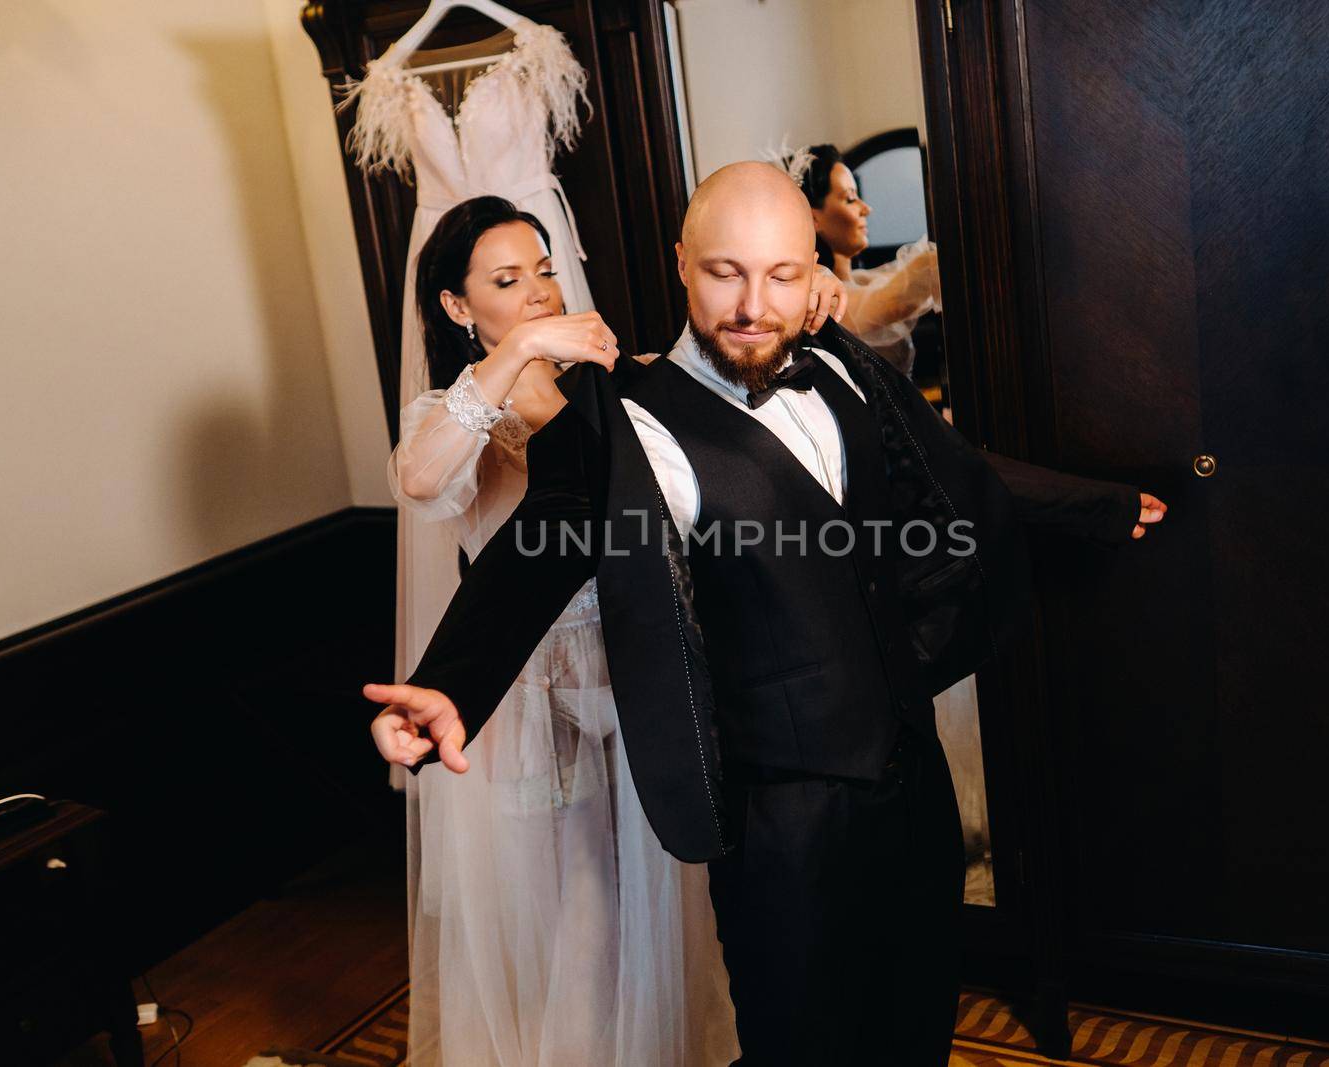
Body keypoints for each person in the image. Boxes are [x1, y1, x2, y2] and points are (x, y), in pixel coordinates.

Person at [366, 164, 1166, 1066]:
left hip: (912, 786)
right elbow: (546, 534)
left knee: (915, 1033)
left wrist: (1093, 506)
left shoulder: (842, 369)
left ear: (813, 271)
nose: (752, 304)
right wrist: (448, 685)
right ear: (679, 263)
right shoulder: (628, 418)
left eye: (782, 274)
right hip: (781, 825)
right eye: (724, 272)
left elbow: (955, 470)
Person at [379, 194, 841, 1065]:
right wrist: (517, 351)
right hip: (536, 699)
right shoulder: (453, 410)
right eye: (508, 281)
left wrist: (804, 305)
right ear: (456, 305)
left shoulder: (610, 380)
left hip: (639, 678)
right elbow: (419, 478)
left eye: (545, 271)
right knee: (579, 918)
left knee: (664, 909)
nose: (540, 293)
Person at [794, 142, 941, 377]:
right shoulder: (827, 301)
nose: (866, 208)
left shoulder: (861, 280)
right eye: (850, 199)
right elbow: (901, 296)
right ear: (814, 220)